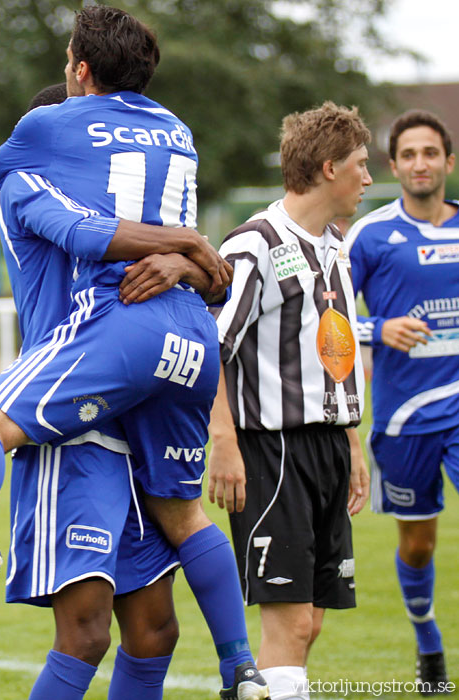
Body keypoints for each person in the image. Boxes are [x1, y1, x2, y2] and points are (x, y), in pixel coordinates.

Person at [0, 7, 268, 700]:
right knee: (87, 632)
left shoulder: (90, 162)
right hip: (77, 413)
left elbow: (204, 275)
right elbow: (86, 229)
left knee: (154, 631)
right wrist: (183, 245)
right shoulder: (29, 185)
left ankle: (242, 667)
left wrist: (185, 259)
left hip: (132, 384)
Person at [207, 102, 372, 700]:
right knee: (291, 621)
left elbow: (333, 352)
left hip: (326, 445)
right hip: (272, 452)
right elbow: (210, 347)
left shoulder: (334, 243)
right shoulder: (254, 244)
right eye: (361, 164)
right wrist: (223, 440)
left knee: (312, 621)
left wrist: (349, 440)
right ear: (329, 168)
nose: (368, 177)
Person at [347, 109, 459, 694]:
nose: (421, 163)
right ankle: (427, 640)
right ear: (395, 166)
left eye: (430, 153)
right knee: (418, 544)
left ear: (448, 161)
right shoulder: (371, 235)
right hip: (404, 418)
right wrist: (379, 328)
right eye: (409, 154)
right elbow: (328, 316)